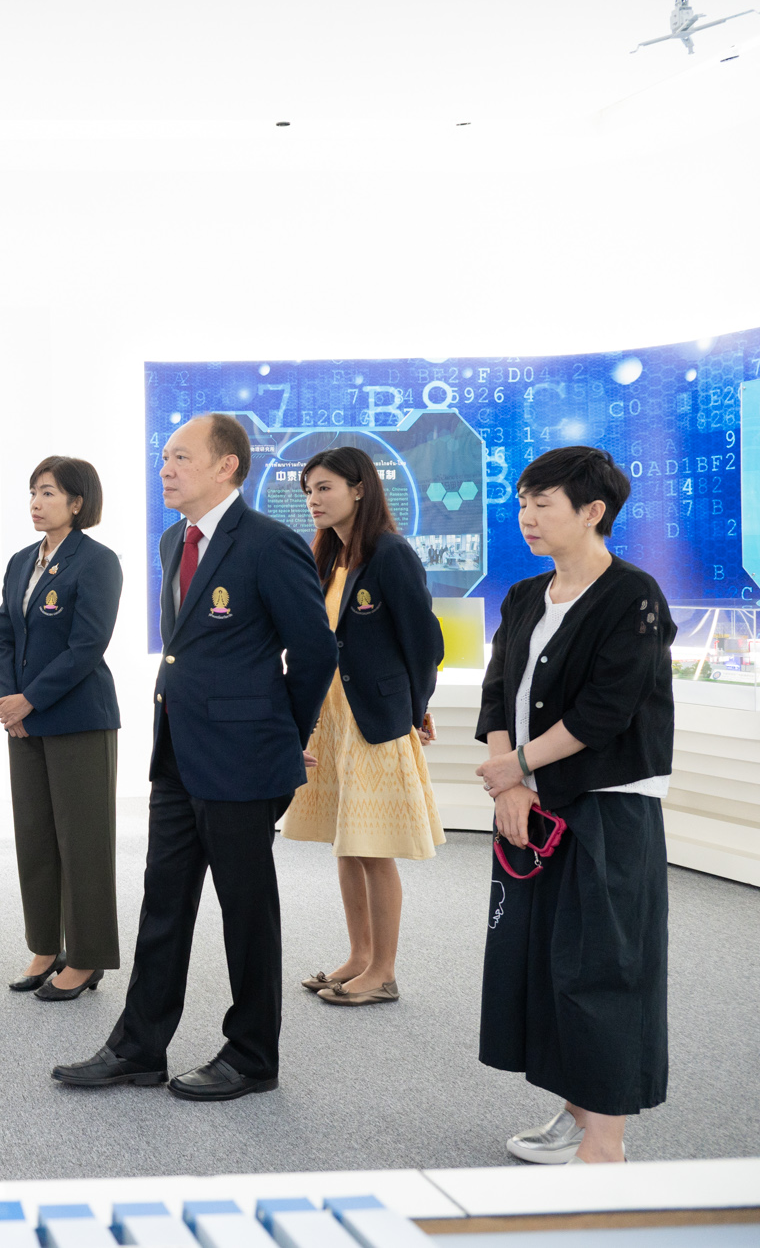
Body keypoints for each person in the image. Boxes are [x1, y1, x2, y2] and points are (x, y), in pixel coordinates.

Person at [53, 414, 334, 1101]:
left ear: (227, 466)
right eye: (163, 457)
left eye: (181, 456)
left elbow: (317, 651)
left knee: (246, 912)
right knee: (164, 902)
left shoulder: (269, 544)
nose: (166, 468)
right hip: (177, 752)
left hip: (244, 758)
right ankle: (138, 1046)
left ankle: (252, 1055)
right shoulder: (174, 538)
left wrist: (279, 736)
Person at [473, 446, 673, 1165]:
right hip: (532, 802)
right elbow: (499, 689)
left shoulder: (635, 595)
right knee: (547, 961)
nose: (526, 516)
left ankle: (607, 1144)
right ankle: (574, 1109)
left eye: (542, 503)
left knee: (605, 966)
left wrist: (515, 767)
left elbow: (606, 712)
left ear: (592, 511)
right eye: (522, 502)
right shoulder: (527, 594)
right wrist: (512, 783)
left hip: (607, 808)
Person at [281, 446, 445, 1007]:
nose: (313, 500)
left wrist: (413, 708)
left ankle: (384, 971)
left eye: (323, 488)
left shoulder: (391, 554)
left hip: (374, 720)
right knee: (346, 845)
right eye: (308, 491)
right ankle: (358, 956)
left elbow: (425, 644)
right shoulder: (327, 557)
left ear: (359, 489)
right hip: (330, 720)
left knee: (374, 849)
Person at [0, 456, 123, 1003]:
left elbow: (87, 646)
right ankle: (46, 946)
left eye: (48, 493)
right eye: (33, 492)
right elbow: (4, 635)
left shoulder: (96, 561)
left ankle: (87, 957)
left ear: (77, 502)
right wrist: (9, 701)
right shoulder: (23, 560)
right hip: (25, 721)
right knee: (37, 839)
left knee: (83, 842)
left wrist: (30, 700)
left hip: (78, 719)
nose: (36, 502)